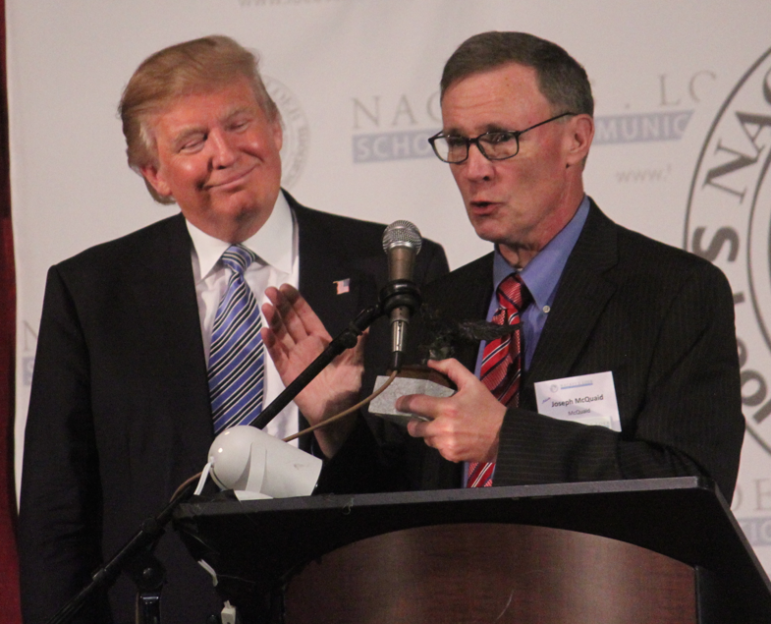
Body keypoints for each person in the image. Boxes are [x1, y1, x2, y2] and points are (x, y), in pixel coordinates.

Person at [17, 36, 448, 624]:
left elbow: (429, 481)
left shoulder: (393, 272)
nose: (225, 153)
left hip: (348, 600)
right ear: (154, 174)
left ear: (274, 127)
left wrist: (338, 427)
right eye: (193, 142)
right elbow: (55, 512)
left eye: (239, 123)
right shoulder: (91, 292)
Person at [264, 31, 744, 501]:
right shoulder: (435, 305)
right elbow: (390, 506)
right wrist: (339, 418)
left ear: (576, 139)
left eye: (499, 138)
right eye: (457, 142)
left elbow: (694, 486)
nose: (474, 169)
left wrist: (505, 439)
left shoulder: (673, 293)